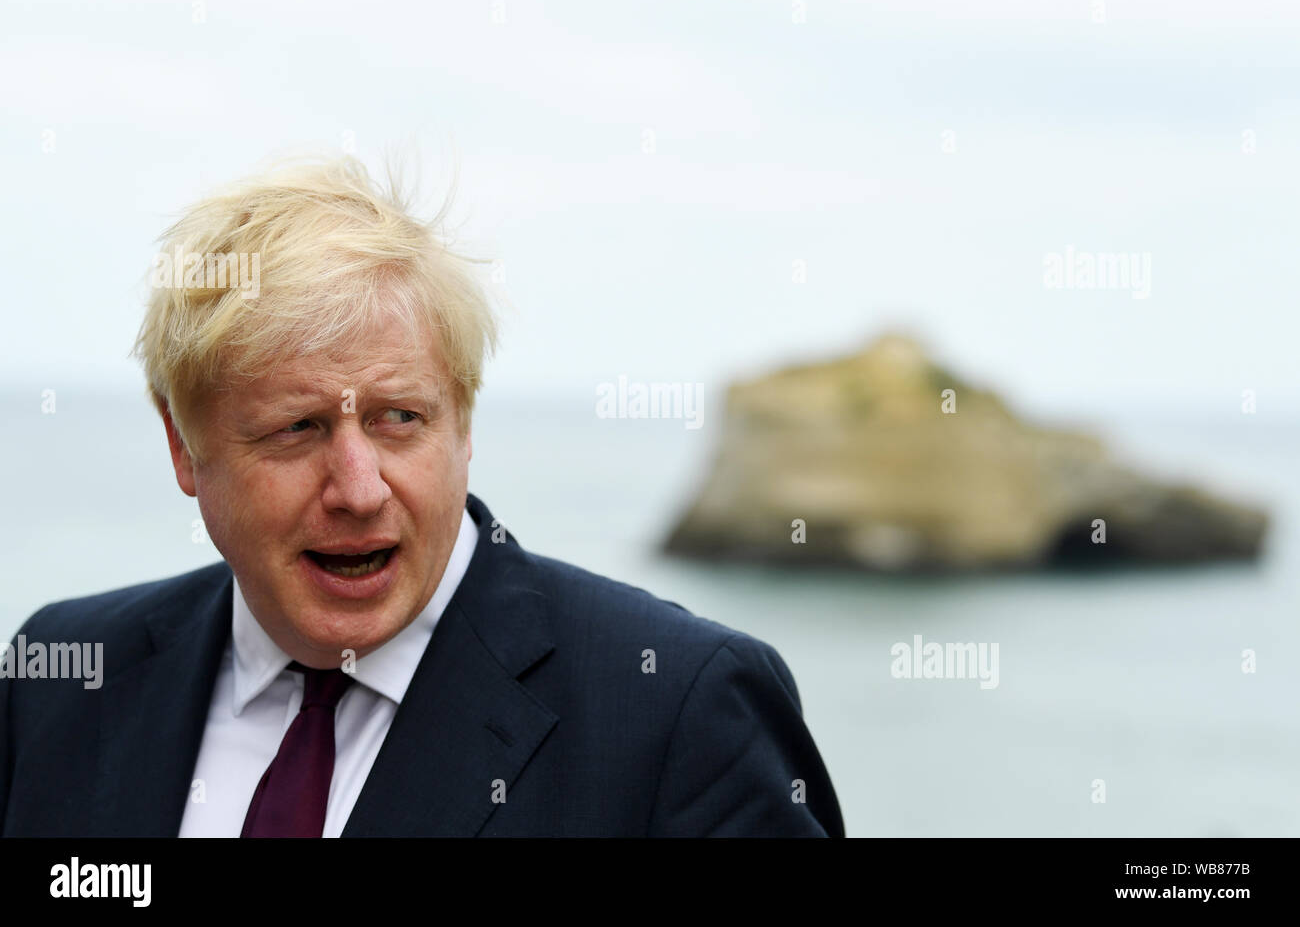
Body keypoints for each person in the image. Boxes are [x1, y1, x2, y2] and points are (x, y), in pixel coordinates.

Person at [0, 156, 843, 837]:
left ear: (463, 423)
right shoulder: (63, 674)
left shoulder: (682, 713)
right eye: (296, 429)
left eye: (400, 418)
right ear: (183, 446)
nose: (360, 489)